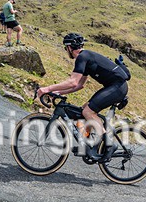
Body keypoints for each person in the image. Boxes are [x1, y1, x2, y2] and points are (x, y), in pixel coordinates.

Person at [36, 32, 130, 161]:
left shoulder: (82, 57)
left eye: (65, 48)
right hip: (114, 86)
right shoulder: (86, 57)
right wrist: (58, 93)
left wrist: (47, 89)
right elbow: (79, 85)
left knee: (88, 112)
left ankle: (109, 145)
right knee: (84, 109)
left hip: (117, 87)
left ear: (69, 47)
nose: (66, 50)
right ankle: (88, 145)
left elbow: (72, 82)